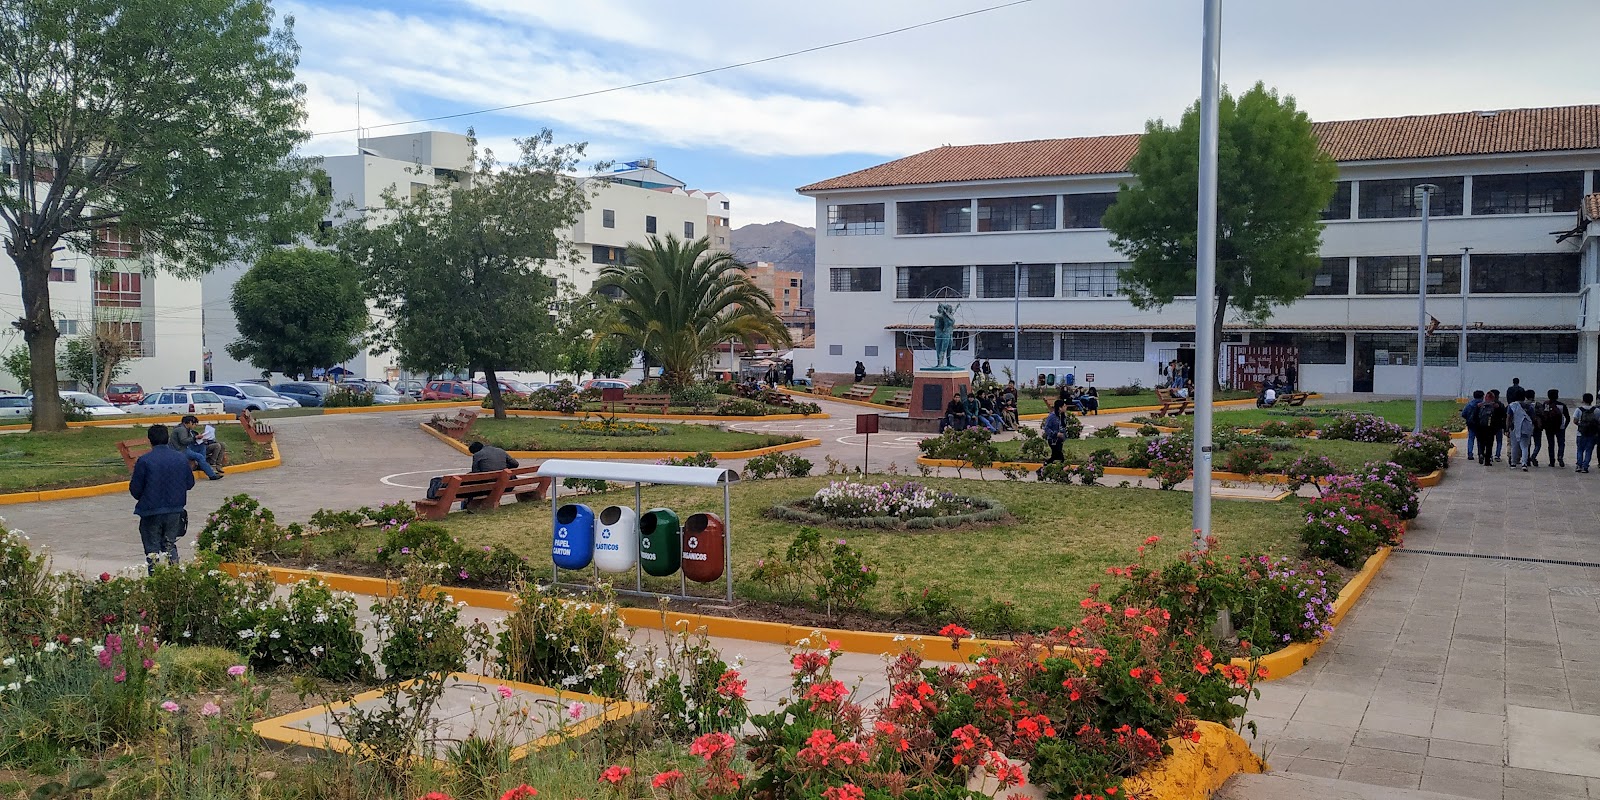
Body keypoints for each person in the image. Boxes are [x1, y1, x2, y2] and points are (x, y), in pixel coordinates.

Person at [130, 425, 195, 574]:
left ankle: (155, 579)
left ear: (150, 440)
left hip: (151, 510)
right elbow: (190, 483)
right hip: (175, 509)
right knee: (169, 544)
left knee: (152, 548)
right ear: (167, 438)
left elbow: (135, 489)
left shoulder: (145, 461)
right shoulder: (180, 458)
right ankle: (175, 577)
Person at [170, 415, 223, 480]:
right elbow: (184, 441)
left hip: (183, 448)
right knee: (199, 457)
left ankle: (203, 465)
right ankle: (211, 475)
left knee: (202, 446)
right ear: (189, 422)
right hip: (181, 450)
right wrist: (195, 438)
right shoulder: (182, 429)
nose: (195, 426)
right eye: (194, 424)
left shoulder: (182, 428)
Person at [1536, 389, 1569, 469]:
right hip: (1560, 427)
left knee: (1551, 444)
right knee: (1561, 443)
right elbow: (1568, 417)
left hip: (1549, 427)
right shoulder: (1562, 405)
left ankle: (1552, 461)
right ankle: (1560, 456)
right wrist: (1564, 426)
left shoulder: (1546, 404)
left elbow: (1543, 415)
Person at [1507, 390, 1537, 471]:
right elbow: (1533, 418)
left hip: (1515, 428)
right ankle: (1524, 463)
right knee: (1524, 447)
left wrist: (1507, 428)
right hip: (1526, 428)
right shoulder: (1529, 406)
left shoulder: (1512, 405)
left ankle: (1513, 463)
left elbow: (1509, 417)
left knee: (1514, 446)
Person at [1477, 390, 1504, 467]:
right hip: (1492, 428)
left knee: (1481, 442)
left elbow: (1476, 416)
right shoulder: (1497, 405)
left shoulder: (1480, 405)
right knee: (1489, 444)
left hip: (1481, 427)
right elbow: (1502, 415)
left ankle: (1481, 454)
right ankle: (1488, 460)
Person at [1573, 392, 1598, 474]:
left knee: (1580, 449)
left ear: (1583, 400)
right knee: (1589, 450)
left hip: (1581, 433)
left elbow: (1575, 421)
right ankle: (1585, 466)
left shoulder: (1579, 409)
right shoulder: (1596, 410)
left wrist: (1581, 425)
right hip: (1592, 433)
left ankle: (1579, 465)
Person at [1041, 400, 1069, 468]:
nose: (1066, 407)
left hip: (1060, 440)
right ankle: (1061, 471)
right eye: (1064, 406)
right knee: (1060, 457)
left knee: (1054, 457)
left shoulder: (1062, 416)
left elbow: (1063, 427)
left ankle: (1043, 467)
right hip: (1053, 440)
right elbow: (1046, 428)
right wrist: (1055, 434)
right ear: (1060, 408)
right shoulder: (1052, 416)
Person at [1461, 390, 1485, 462]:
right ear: (1482, 396)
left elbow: (1463, 414)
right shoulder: (1483, 404)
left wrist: (1468, 419)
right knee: (1480, 440)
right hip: (1480, 425)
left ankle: (1470, 453)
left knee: (1471, 438)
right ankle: (1480, 453)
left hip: (1471, 424)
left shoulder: (1469, 404)